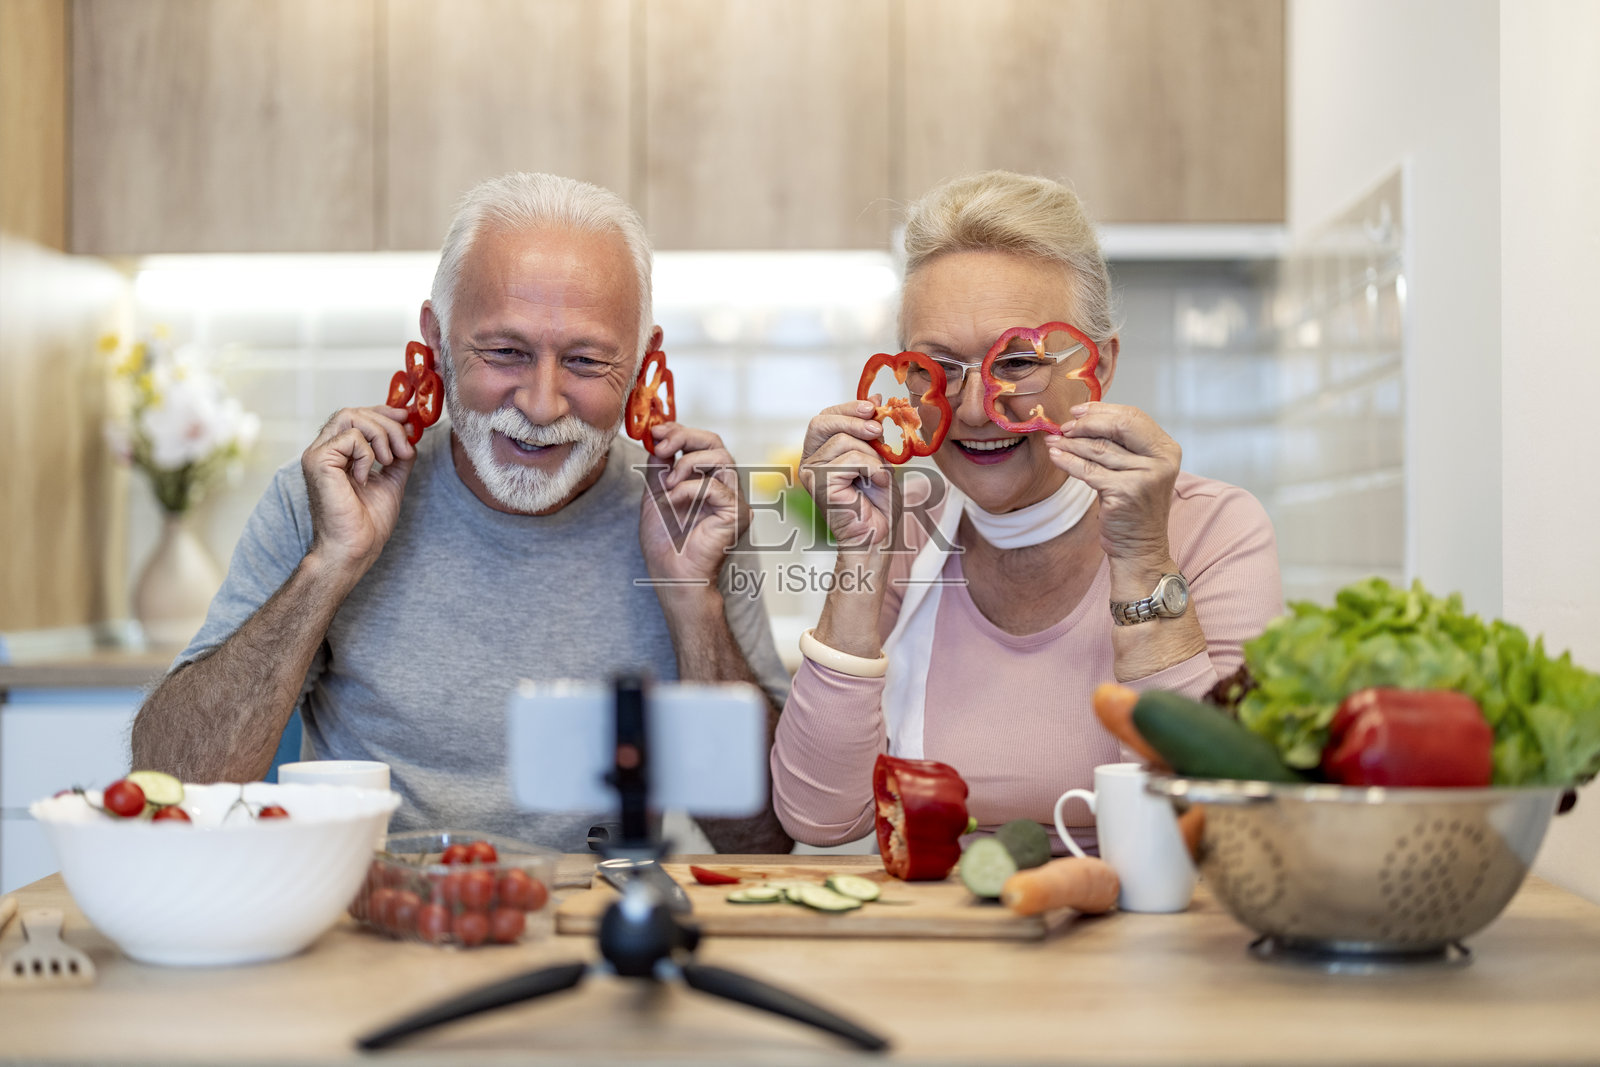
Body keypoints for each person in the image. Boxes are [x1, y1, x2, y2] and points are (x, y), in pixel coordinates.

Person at [131, 172, 792, 854]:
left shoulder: (687, 512)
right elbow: (170, 784)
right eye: (504, 352)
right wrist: (329, 566)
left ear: (645, 364)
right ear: (436, 341)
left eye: (587, 361)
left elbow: (765, 838)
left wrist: (691, 597)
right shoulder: (326, 501)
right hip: (378, 920)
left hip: (597, 924)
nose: (540, 404)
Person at [771, 171, 1282, 854]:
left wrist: (1140, 557)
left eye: (1019, 361)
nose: (979, 409)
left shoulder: (1215, 531)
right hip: (950, 946)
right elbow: (819, 814)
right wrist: (859, 555)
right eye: (940, 366)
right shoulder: (901, 537)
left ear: (1098, 365)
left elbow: (1227, 822)